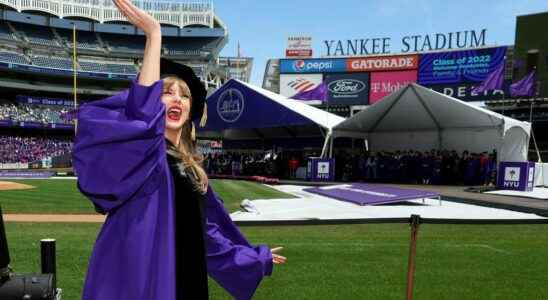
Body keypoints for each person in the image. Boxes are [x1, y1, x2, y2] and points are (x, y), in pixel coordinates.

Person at [73, 1, 286, 299]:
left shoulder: (191, 170)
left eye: (184, 96)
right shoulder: (143, 155)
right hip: (140, 276)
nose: (176, 100)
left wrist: (253, 259)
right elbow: (141, 120)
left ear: (191, 110)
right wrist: (154, 35)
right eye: (166, 92)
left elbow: (206, 234)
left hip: (186, 278)